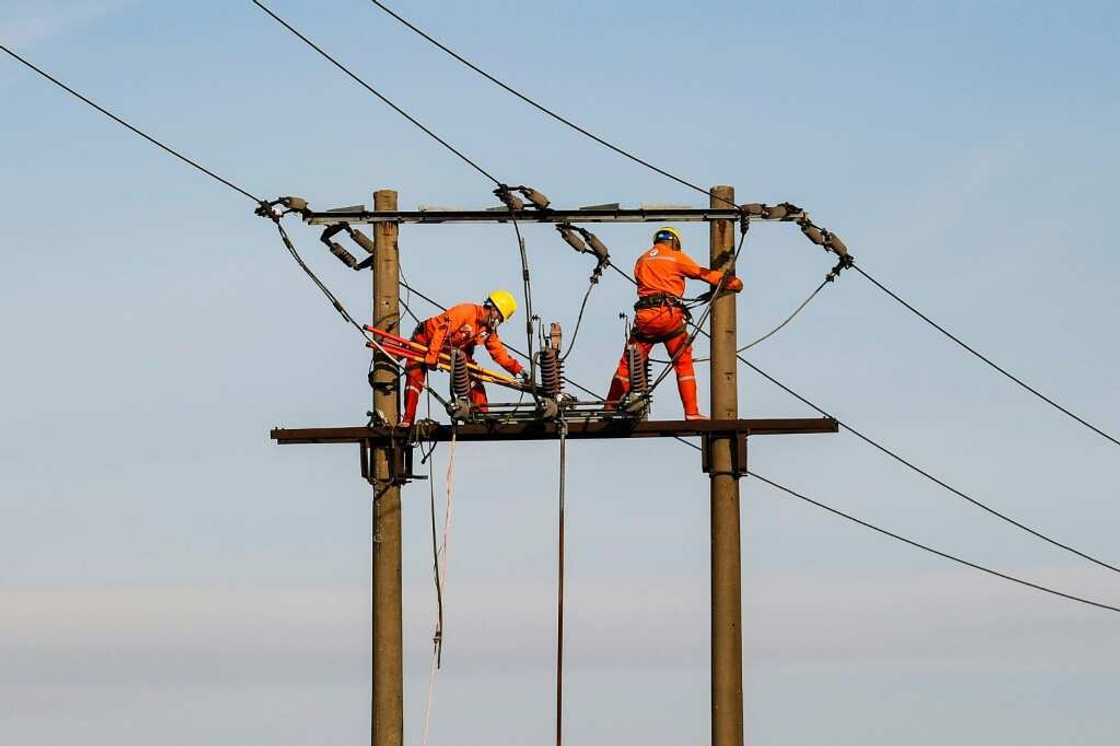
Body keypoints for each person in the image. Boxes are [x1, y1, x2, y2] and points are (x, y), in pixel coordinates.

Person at [606, 226, 743, 419]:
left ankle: (609, 408)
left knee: (628, 363)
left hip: (644, 318)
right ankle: (692, 413)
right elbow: (701, 273)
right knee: (683, 362)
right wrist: (732, 283)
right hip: (668, 316)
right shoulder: (674, 256)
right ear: (674, 242)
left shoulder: (641, 260)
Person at [400, 290, 526, 427]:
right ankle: (407, 421)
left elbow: (500, 354)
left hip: (449, 349)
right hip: (425, 339)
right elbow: (443, 330)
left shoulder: (487, 331)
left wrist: (520, 370)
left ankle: (482, 417)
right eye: (500, 318)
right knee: (414, 380)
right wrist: (432, 355)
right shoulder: (466, 311)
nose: (499, 322)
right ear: (494, 310)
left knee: (474, 378)